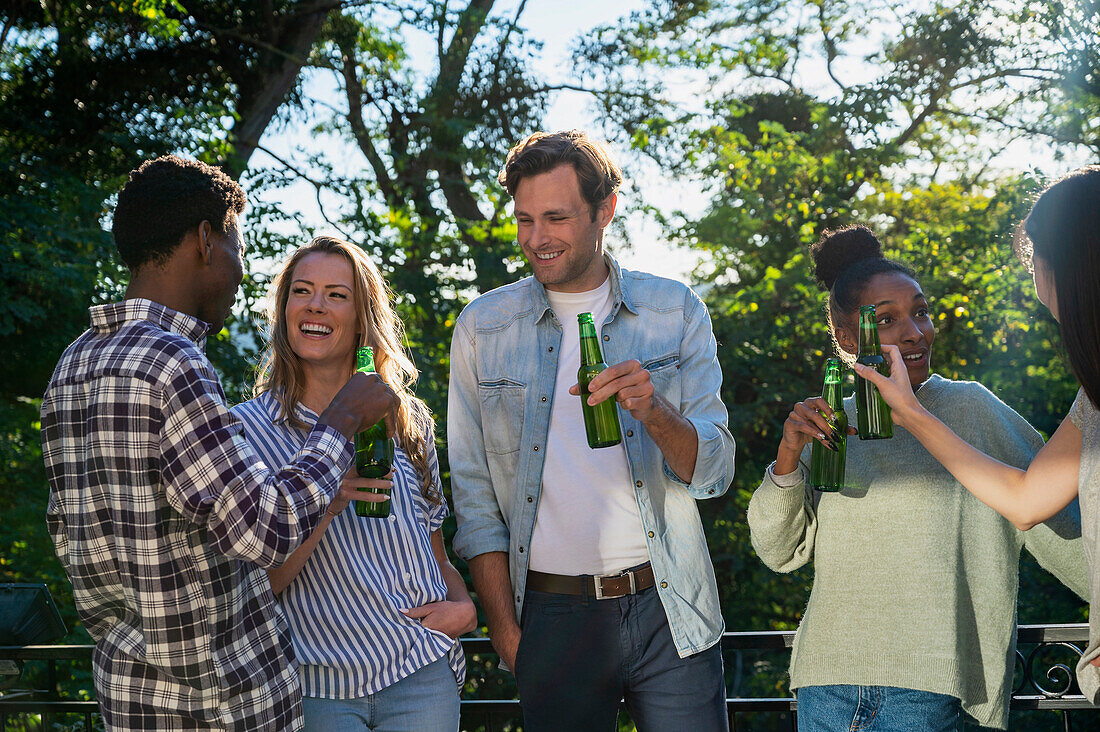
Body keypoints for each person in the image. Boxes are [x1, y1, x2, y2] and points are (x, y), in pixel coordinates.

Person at [41, 156, 396, 731]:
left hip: (130, 701)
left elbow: (71, 537)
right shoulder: (171, 363)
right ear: (205, 241)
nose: (240, 271)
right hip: (222, 705)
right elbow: (265, 529)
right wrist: (341, 421)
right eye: (236, 247)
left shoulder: (73, 364)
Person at [447, 130, 736, 731]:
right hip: (551, 615)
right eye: (524, 220)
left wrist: (656, 413)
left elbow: (714, 473)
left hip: (670, 604)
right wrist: (505, 631)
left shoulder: (673, 311)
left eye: (556, 217)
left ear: (605, 211)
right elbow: (474, 498)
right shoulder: (482, 328)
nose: (536, 239)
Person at [747, 225, 1088, 731]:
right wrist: (788, 459)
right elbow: (779, 552)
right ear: (847, 338)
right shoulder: (830, 423)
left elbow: (1065, 529)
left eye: (921, 312)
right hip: (827, 687)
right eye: (887, 320)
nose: (915, 332)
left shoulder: (974, 410)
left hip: (934, 694)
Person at [853, 167, 1100, 701]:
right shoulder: (1092, 396)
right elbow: (1026, 499)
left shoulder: (976, 403)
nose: (1033, 280)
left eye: (1035, 259)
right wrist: (912, 414)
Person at [231, 236, 476, 731]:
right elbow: (258, 586)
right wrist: (328, 500)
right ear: (284, 309)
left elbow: (436, 554)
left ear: (362, 316)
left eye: (336, 294)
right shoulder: (244, 431)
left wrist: (463, 607)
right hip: (314, 687)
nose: (316, 304)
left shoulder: (406, 422)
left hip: (418, 671)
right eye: (302, 291)